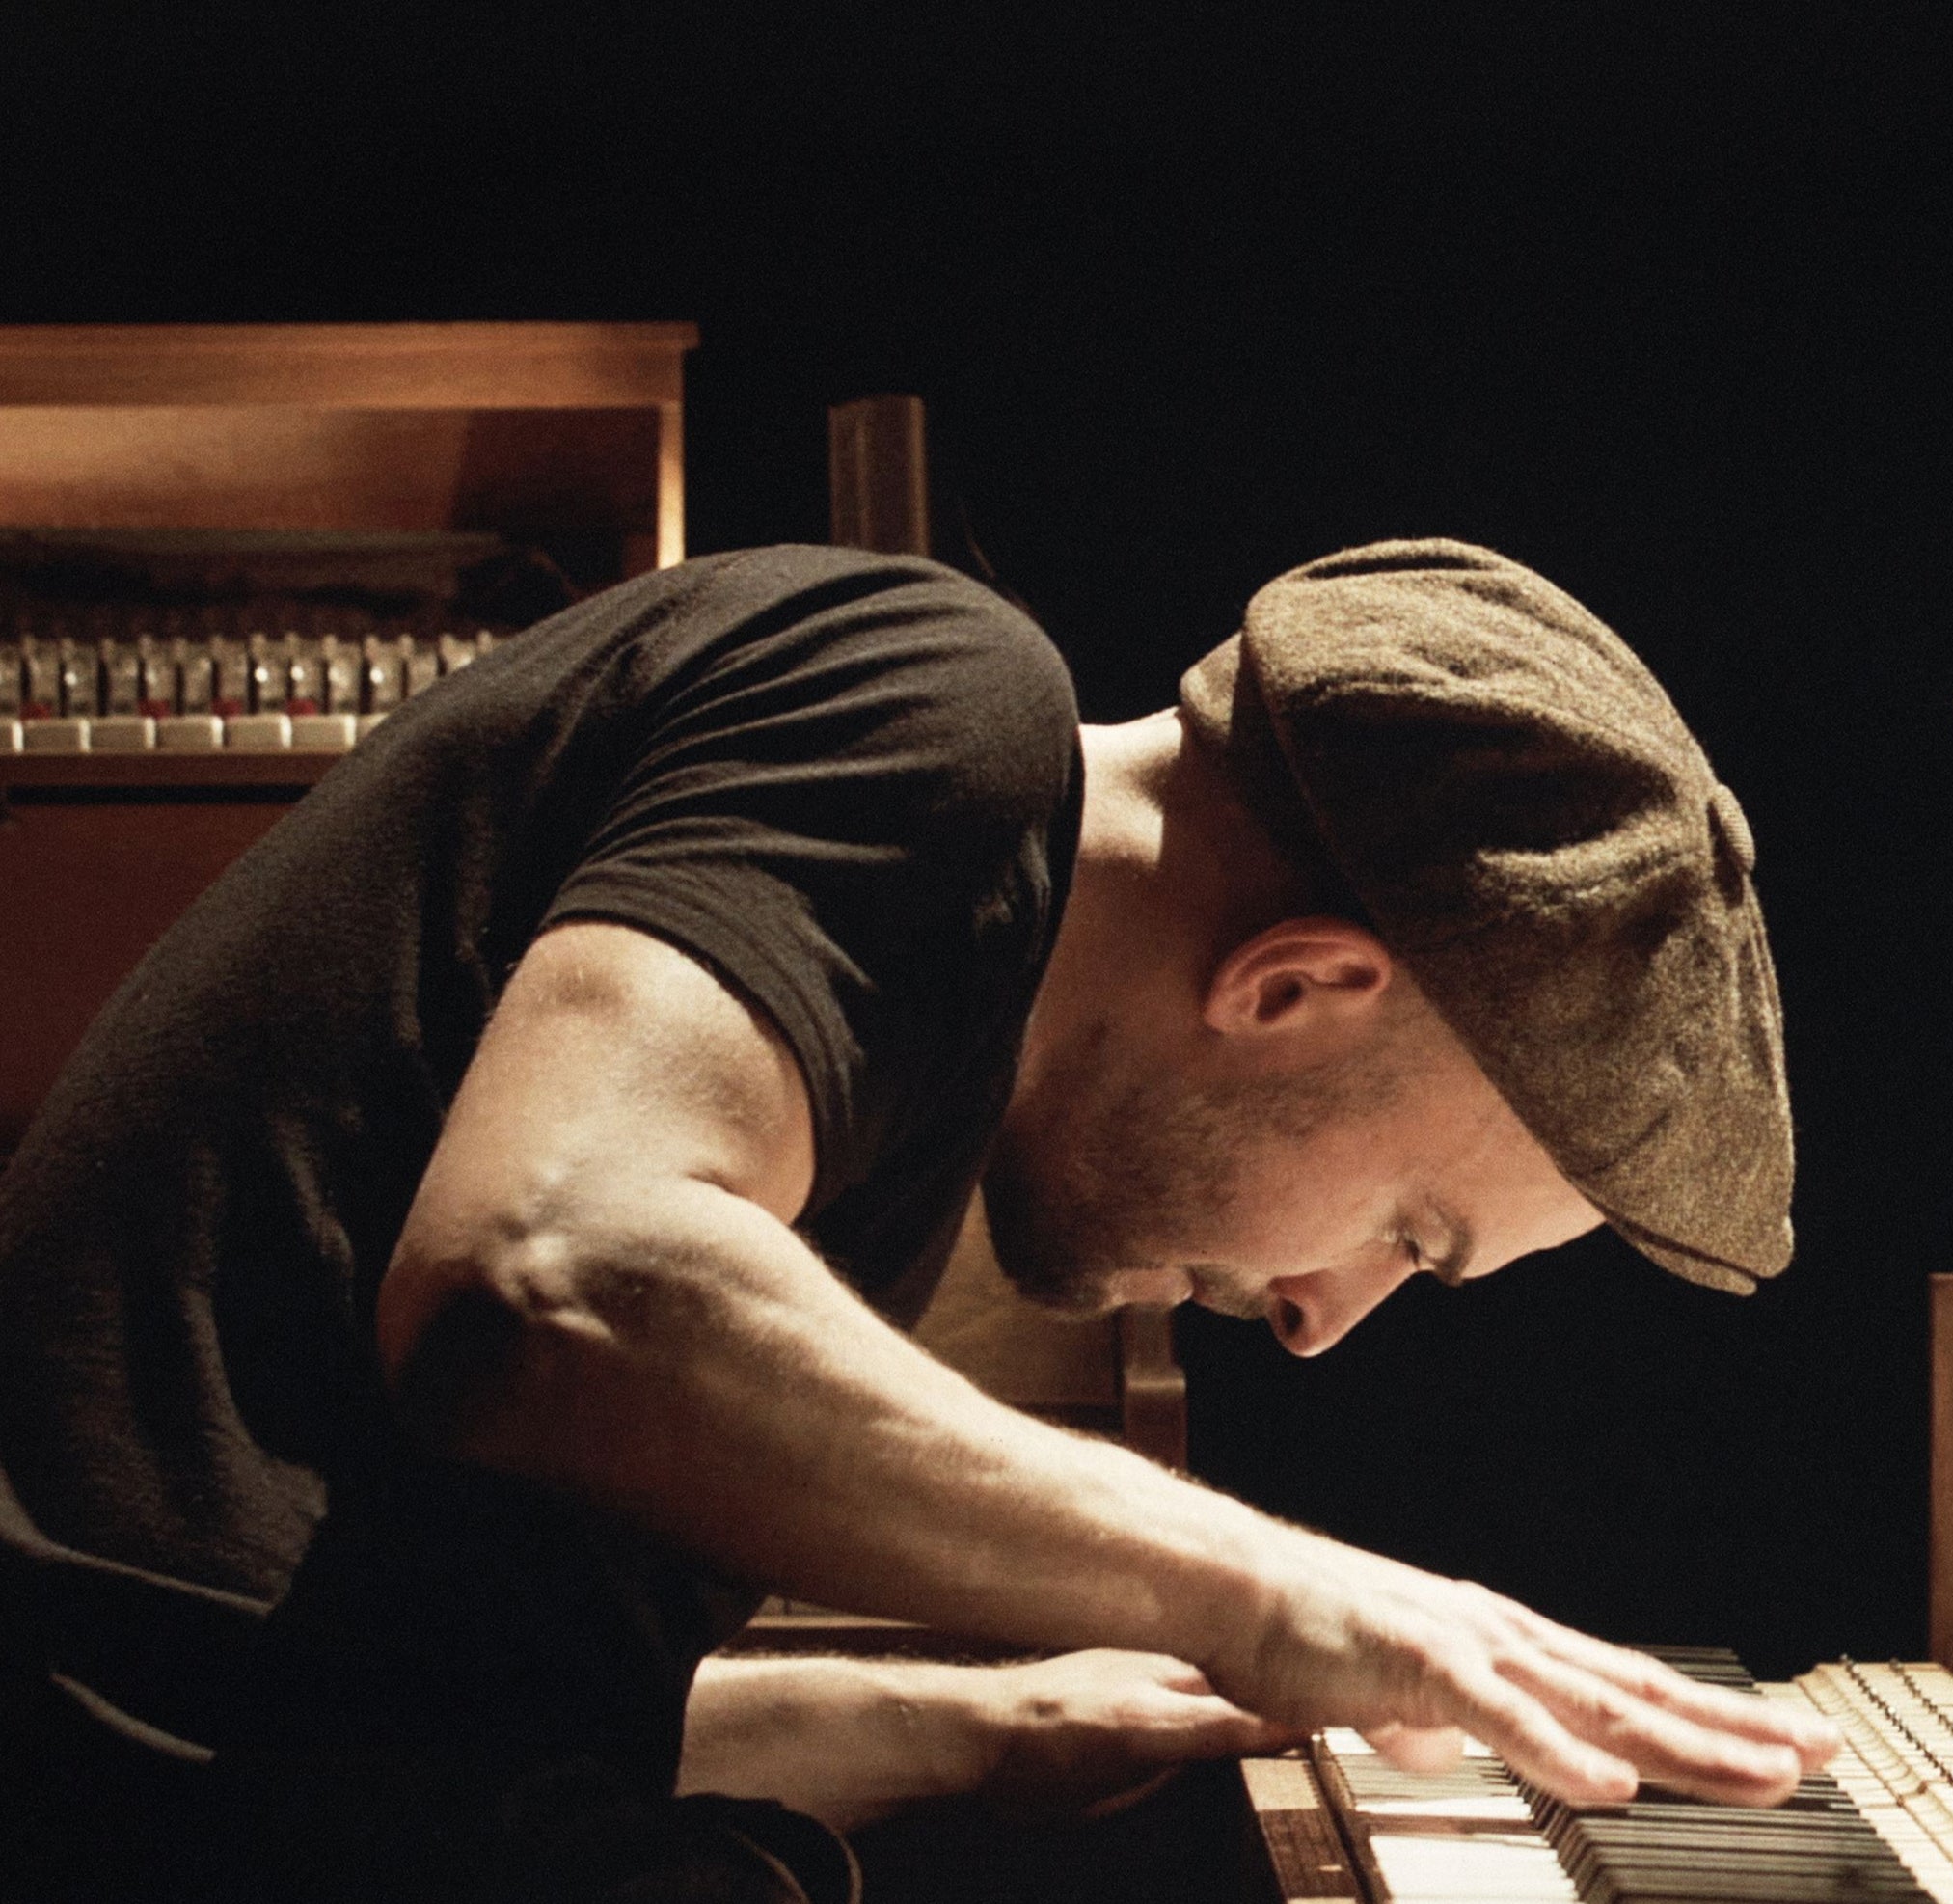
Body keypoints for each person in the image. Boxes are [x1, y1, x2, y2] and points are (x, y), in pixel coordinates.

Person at [0, 537, 1833, 1900]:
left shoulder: (899, 1017)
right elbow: (543, 1273)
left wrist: (966, 1726)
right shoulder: (935, 698)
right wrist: (1290, 1588)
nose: (1318, 1317)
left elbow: (323, 1642)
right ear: (1293, 986)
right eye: (1413, 1232)